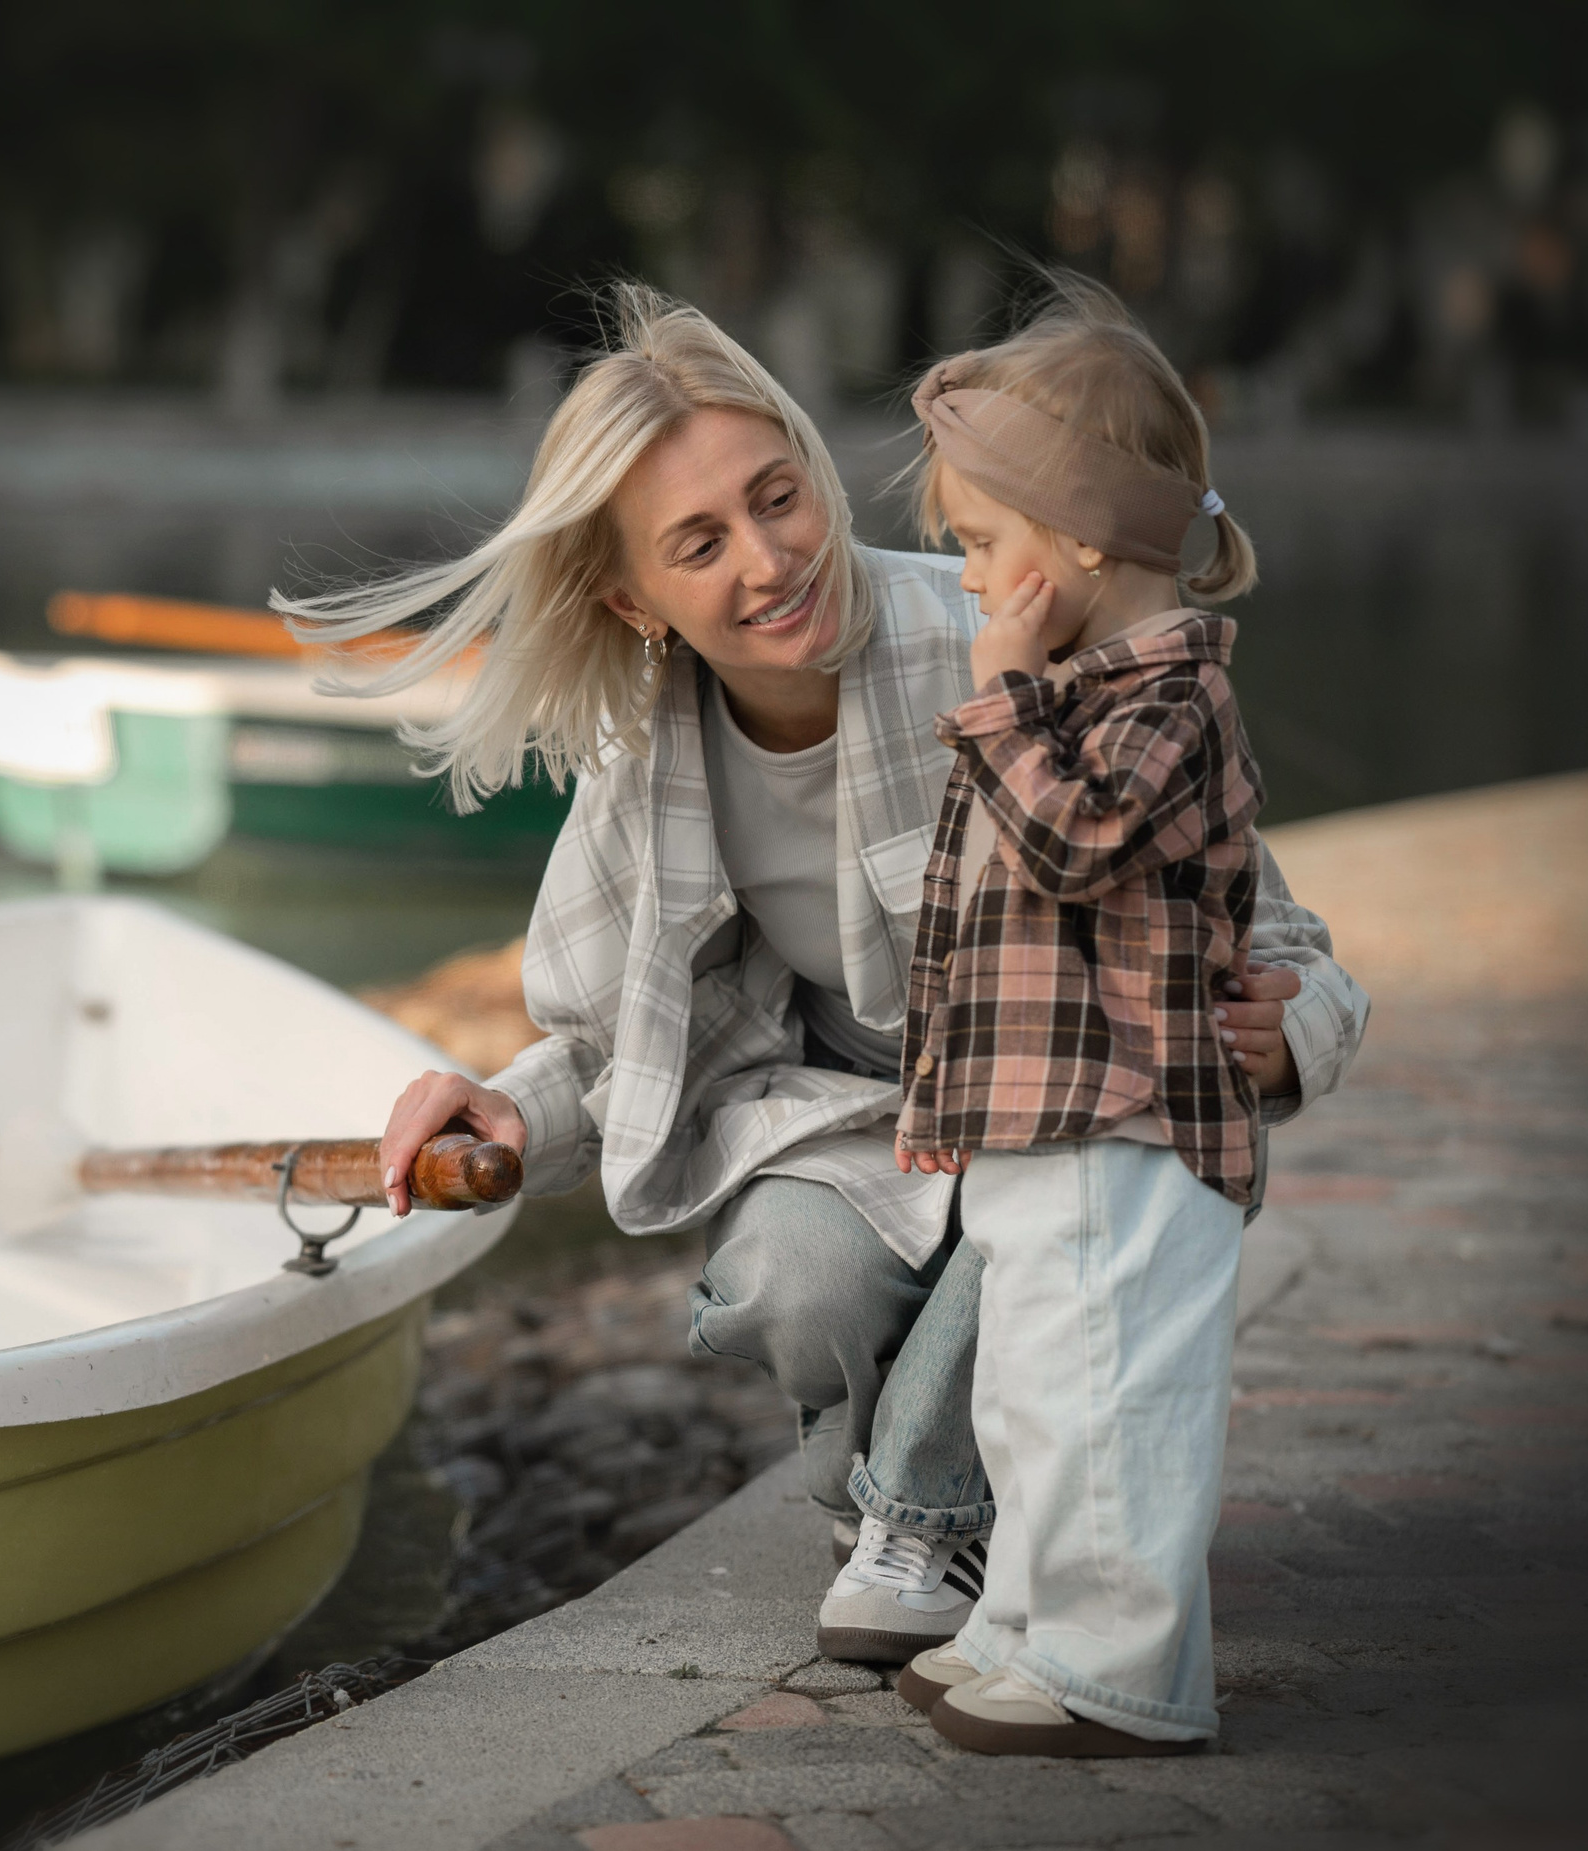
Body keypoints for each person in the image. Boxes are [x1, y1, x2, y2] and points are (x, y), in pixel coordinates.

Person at [284, 284, 1367, 1669]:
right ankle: (930, 1506)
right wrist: (506, 1111)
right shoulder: (648, 765)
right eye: (700, 541)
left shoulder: (1001, 647)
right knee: (792, 1276)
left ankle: (922, 1509)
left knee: (1054, 1214)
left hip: (1085, 1098)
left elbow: (1276, 931)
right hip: (858, 1115)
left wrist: (1298, 1035)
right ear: (636, 597)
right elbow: (624, 1043)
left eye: (779, 496)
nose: (771, 557)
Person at [882, 280, 1278, 1756]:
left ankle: (1127, 1672)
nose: (973, 582)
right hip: (1045, 1120)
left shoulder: (1170, 699)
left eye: (985, 544)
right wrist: (944, 1103)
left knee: (1119, 1399)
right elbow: (967, 919)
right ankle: (1030, 1623)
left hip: (1134, 1125)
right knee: (1036, 1390)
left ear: (1087, 540)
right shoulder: (1060, 698)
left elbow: (1071, 848)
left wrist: (997, 701)